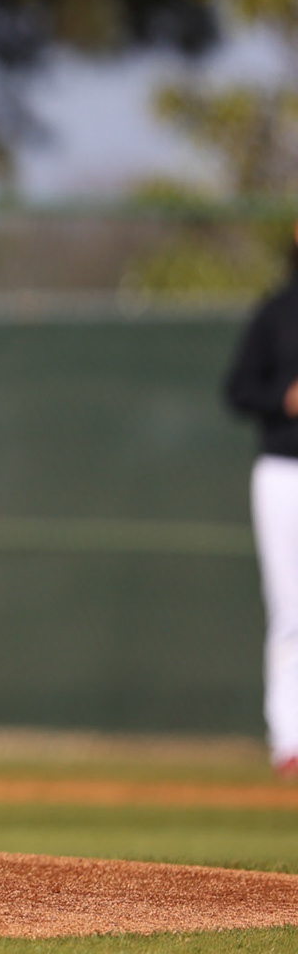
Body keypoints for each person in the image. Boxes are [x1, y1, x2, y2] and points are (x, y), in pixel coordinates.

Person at [223, 225, 298, 776]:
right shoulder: (278, 312)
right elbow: (238, 390)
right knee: (291, 606)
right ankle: (290, 738)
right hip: (284, 469)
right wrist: (284, 399)